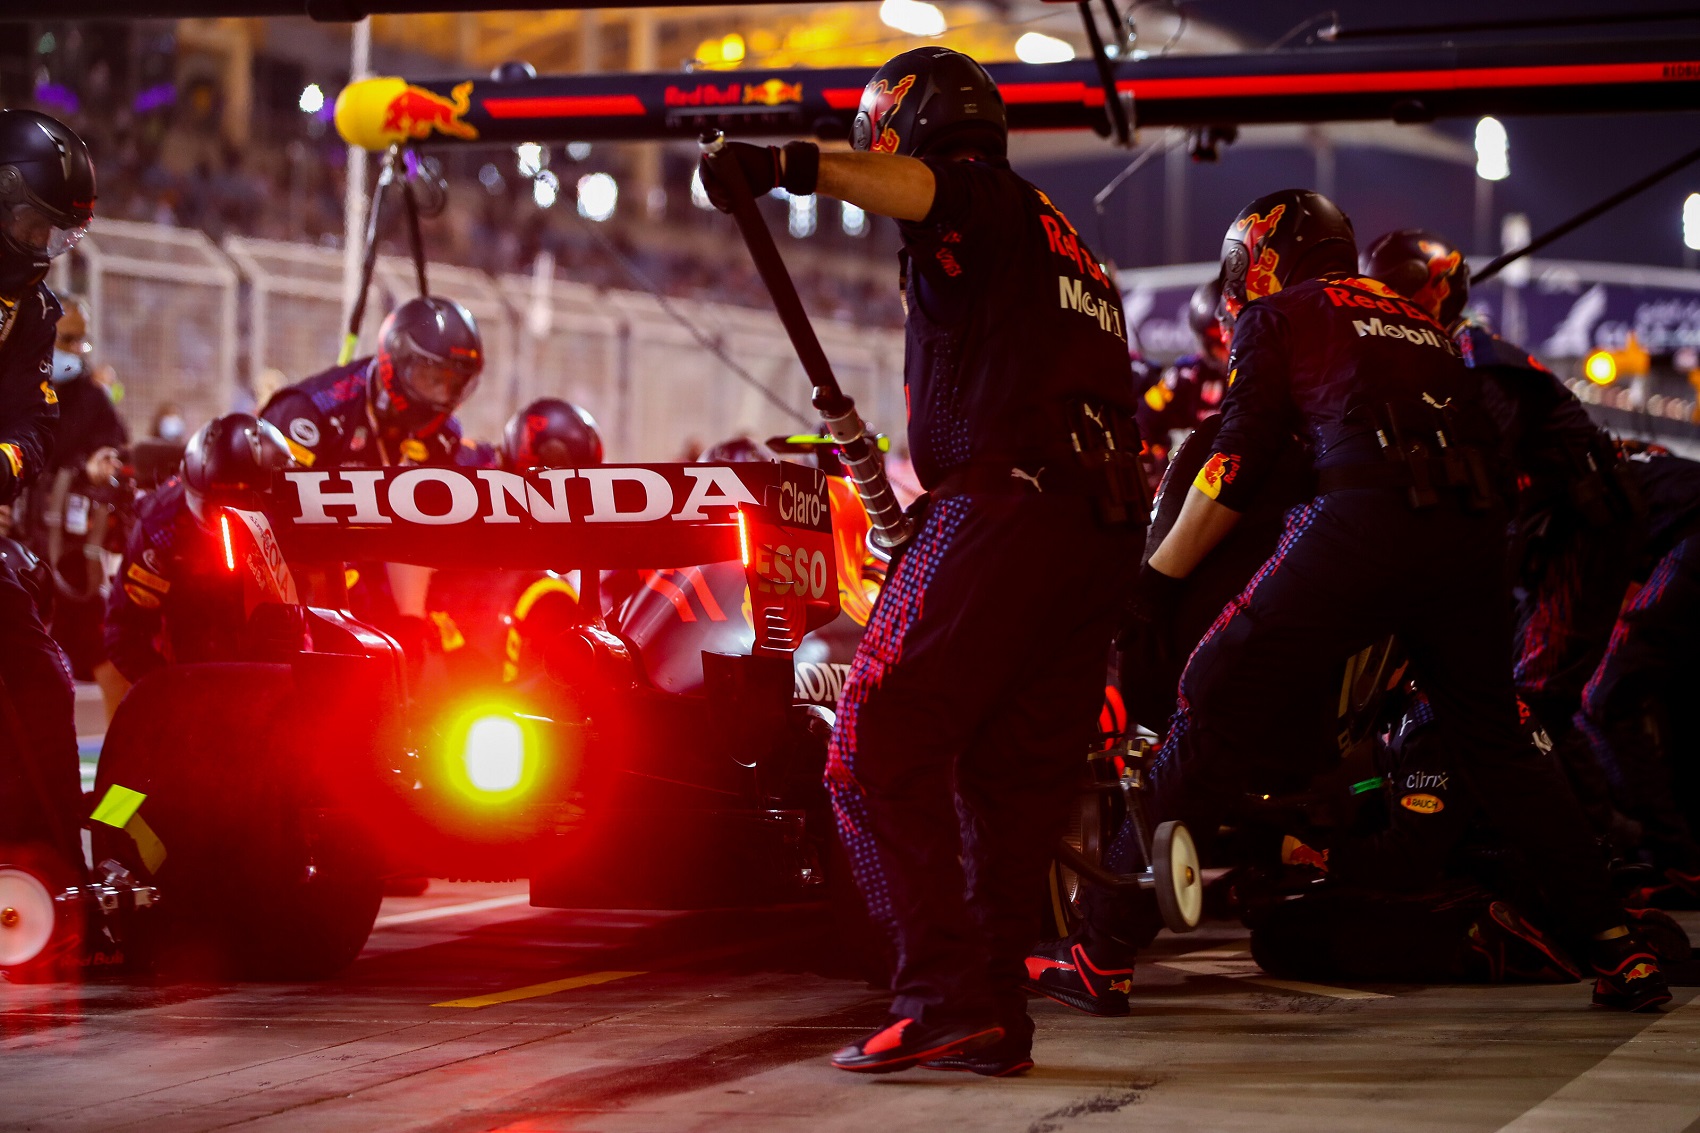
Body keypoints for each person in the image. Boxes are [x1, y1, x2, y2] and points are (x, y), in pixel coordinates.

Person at [700, 46, 1146, 1075]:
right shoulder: (1069, 242)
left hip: (1003, 501)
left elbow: (925, 189)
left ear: (899, 126)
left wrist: (787, 167)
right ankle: (991, 1010)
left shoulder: (977, 195)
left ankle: (940, 995)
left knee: (871, 742)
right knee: (1009, 786)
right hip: (1096, 532)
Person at [1106, 190, 1664, 1011]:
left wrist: (1154, 583)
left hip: (1365, 519)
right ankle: (1619, 948)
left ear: (1266, 253)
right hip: (1472, 534)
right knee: (1501, 747)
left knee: (1211, 691)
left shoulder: (1277, 314)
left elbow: (1236, 459)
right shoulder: (1421, 323)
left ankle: (1099, 945)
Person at [1364, 231, 1700, 893]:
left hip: (1615, 532)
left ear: (1431, 293)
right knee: (1546, 692)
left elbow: (1481, 493)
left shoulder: (1474, 364)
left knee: (1559, 697)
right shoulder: (1447, 368)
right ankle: (1609, 846)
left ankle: (1624, 857)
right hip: (1591, 537)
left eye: (1390, 300)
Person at [259, 295, 483, 670]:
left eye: (454, 383)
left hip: (374, 575)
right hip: (296, 580)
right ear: (397, 363)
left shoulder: (443, 436)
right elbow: (267, 528)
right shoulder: (309, 414)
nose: (443, 396)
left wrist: (411, 624)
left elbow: (418, 532)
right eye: (432, 379)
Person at [0, 108, 96, 873]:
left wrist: (3, 464)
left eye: (52, 233)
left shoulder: (32, 311)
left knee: (43, 676)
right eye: (33, 225)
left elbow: (35, 424)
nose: (40, 245)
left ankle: (57, 876)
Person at [103, 414, 296, 689]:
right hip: (193, 665)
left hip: (279, 662)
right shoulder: (160, 526)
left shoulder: (295, 515)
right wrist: (170, 690)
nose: (227, 521)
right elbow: (124, 630)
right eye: (214, 508)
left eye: (245, 505)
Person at [1137, 278, 1230, 471]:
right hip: (1208, 476)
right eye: (1218, 339)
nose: (1228, 348)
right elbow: (1143, 416)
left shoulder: (1269, 371)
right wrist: (1154, 454)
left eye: (1233, 335)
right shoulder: (1189, 375)